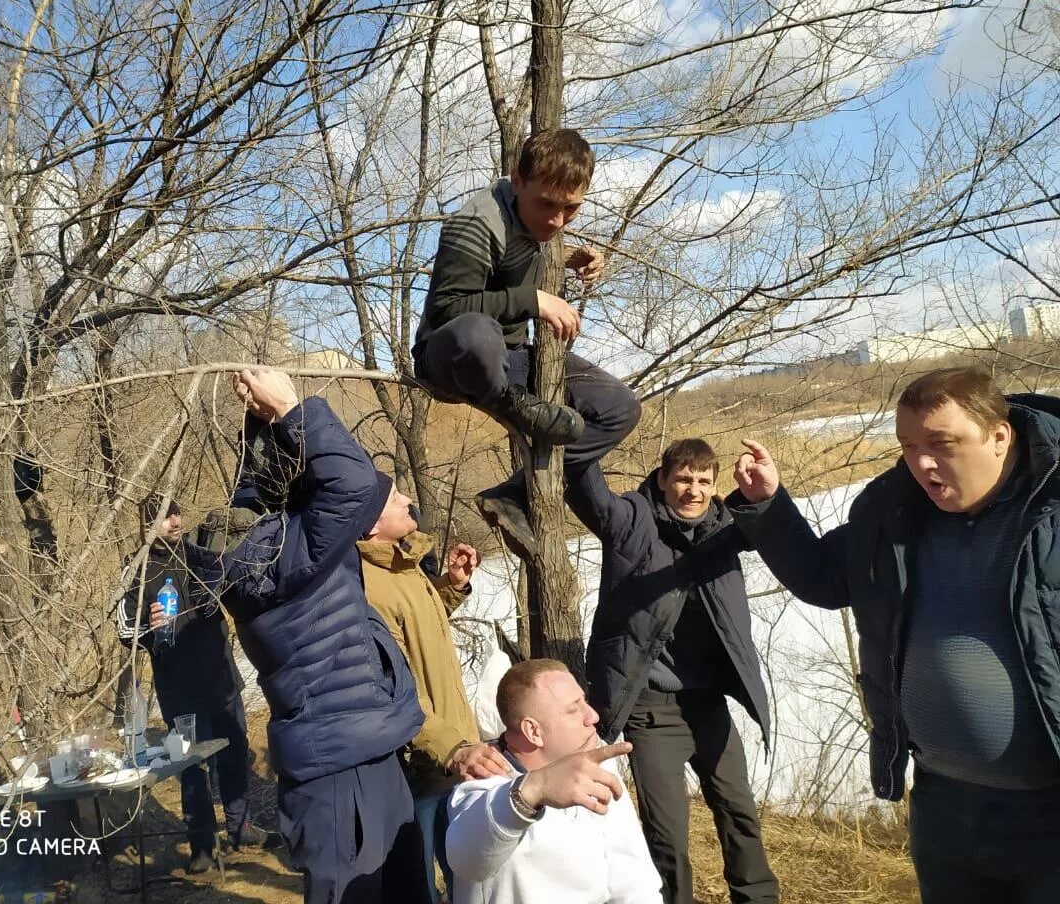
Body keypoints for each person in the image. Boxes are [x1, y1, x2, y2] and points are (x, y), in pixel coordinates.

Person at [730, 367, 1060, 903]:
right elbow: (827, 579)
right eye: (908, 446)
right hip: (945, 810)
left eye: (942, 443)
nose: (922, 463)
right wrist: (769, 507)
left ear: (999, 437)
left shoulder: (1051, 508)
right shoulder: (895, 510)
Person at [198, 368, 426, 904]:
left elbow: (268, 483)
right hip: (340, 774)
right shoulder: (274, 557)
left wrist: (262, 427)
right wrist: (292, 410)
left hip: (359, 754)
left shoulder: (268, 546)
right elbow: (353, 485)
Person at [411, 128, 641, 560]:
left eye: (571, 208)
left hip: (511, 357)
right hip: (451, 356)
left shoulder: (538, 223)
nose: (556, 220)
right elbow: (448, 310)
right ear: (517, 179)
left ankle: (512, 493)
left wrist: (576, 257)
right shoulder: (476, 224)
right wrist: (534, 301)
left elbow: (523, 253)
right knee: (477, 331)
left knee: (618, 408)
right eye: (547, 205)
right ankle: (511, 403)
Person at [578, 440, 777, 904]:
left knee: (739, 812)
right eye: (684, 479)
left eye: (704, 481)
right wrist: (584, 435)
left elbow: (764, 518)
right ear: (663, 478)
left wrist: (762, 490)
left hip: (707, 704)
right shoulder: (633, 521)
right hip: (651, 711)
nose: (694, 490)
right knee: (667, 834)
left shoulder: (722, 526)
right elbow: (590, 497)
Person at [359, 495, 513, 902]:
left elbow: (417, 627)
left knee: (469, 875)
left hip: (452, 753)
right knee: (423, 884)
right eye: (394, 498)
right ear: (371, 524)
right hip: (424, 761)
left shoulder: (400, 564)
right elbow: (394, 688)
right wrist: (450, 747)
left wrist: (451, 585)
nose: (409, 500)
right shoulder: (368, 585)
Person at [115, 496, 270, 873]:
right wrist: (147, 624)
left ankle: (241, 826)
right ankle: (202, 845)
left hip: (221, 677)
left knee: (234, 752)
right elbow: (123, 630)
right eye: (164, 517)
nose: (174, 522)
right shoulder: (136, 571)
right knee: (191, 764)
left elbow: (233, 591)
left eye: (176, 513)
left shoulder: (201, 557)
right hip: (179, 688)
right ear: (146, 527)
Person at [445, 658, 662, 904]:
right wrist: (534, 790)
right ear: (533, 731)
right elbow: (468, 860)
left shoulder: (599, 765)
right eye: (573, 709)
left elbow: (634, 881)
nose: (592, 716)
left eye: (585, 701)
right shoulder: (483, 783)